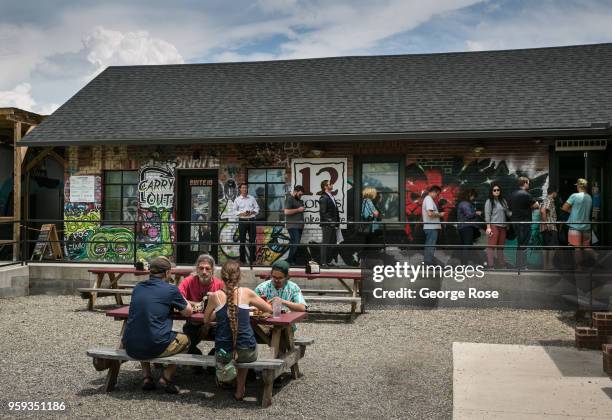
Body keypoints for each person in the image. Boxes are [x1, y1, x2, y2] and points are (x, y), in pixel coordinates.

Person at [203, 260, 272, 401]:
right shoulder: (247, 293)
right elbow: (269, 309)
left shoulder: (214, 296)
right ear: (239, 277)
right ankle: (240, 389)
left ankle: (226, 378)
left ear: (221, 276)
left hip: (223, 352)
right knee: (242, 349)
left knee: (227, 350)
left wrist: (221, 312)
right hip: (247, 351)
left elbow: (206, 320)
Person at [122, 256, 192, 394]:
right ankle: (166, 377)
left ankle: (147, 377)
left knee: (143, 329)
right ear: (167, 273)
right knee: (188, 340)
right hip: (154, 344)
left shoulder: (138, 287)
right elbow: (188, 312)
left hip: (130, 344)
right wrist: (179, 295)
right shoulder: (170, 290)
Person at [178, 254, 224, 372]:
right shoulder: (188, 281)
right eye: (201, 268)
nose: (204, 271)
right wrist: (194, 304)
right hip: (193, 323)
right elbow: (177, 297)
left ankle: (213, 358)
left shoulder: (219, 284)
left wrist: (207, 324)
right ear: (196, 269)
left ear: (213, 270)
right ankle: (195, 358)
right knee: (186, 339)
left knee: (224, 338)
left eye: (207, 268)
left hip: (214, 324)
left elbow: (226, 305)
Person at [561, 178, 593, 267]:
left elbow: (564, 208)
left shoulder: (574, 196)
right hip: (586, 226)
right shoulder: (589, 197)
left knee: (577, 248)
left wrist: (574, 211)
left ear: (579, 186)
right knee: (586, 247)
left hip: (575, 226)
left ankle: (579, 268)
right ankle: (595, 256)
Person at [510, 177, 540, 269]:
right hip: (524, 222)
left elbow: (510, 207)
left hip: (515, 222)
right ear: (525, 183)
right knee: (524, 244)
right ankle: (522, 265)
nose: (529, 184)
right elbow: (537, 205)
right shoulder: (526, 194)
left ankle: (519, 264)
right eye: (528, 183)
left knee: (520, 243)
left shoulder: (513, 194)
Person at [484, 183, 511, 269]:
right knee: (491, 246)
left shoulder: (503, 201)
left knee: (500, 247)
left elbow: (508, 213)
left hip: (503, 226)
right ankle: (490, 265)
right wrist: (488, 227)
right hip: (493, 226)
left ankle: (501, 264)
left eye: (498, 190)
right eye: (494, 190)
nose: (496, 191)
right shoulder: (489, 201)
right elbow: (487, 215)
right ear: (491, 191)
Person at [233, 183, 259, 264]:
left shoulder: (252, 198)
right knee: (242, 241)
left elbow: (257, 208)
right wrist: (242, 213)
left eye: (246, 188)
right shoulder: (237, 199)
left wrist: (252, 212)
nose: (245, 189)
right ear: (240, 189)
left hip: (251, 220)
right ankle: (242, 260)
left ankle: (253, 260)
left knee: (252, 241)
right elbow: (234, 211)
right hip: (242, 221)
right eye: (243, 188)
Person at [456, 188, 482, 264]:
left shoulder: (463, 203)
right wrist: (477, 213)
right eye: (473, 196)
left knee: (466, 245)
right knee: (467, 246)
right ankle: (464, 264)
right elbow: (469, 215)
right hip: (466, 227)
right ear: (469, 195)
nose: (474, 198)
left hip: (464, 227)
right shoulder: (465, 204)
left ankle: (465, 263)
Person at [319, 179, 340, 266]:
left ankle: (328, 261)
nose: (331, 185)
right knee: (326, 243)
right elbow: (323, 212)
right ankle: (323, 262)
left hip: (332, 224)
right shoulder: (323, 197)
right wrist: (331, 222)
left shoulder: (330, 196)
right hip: (327, 225)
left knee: (331, 243)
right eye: (329, 184)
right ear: (325, 187)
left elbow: (335, 211)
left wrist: (337, 223)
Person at [422, 185, 445, 266]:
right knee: (430, 245)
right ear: (434, 192)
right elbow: (430, 214)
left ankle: (428, 262)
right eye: (437, 194)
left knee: (430, 245)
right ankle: (428, 263)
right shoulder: (428, 199)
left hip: (431, 227)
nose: (437, 196)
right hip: (431, 227)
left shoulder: (428, 199)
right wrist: (440, 214)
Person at [284, 185, 305, 264]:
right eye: (300, 194)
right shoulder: (289, 199)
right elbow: (286, 212)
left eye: (302, 195)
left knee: (296, 243)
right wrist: (298, 209)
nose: (300, 196)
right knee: (295, 242)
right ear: (295, 192)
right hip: (292, 225)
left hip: (299, 226)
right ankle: (290, 261)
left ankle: (292, 261)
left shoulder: (299, 200)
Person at [540, 186, 559, 269]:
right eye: (556, 193)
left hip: (546, 227)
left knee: (546, 246)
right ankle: (549, 264)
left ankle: (546, 265)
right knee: (553, 245)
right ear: (553, 192)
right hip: (550, 227)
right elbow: (543, 210)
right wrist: (547, 224)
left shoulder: (545, 199)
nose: (557, 194)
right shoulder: (549, 199)